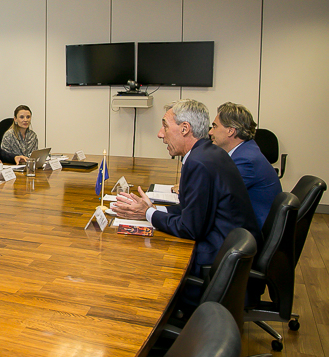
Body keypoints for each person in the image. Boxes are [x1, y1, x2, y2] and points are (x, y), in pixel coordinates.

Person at [112, 99, 262, 280]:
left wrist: (148, 213)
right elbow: (192, 209)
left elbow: (190, 229)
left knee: (141, 261)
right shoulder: (207, 153)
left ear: (185, 129)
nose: (160, 134)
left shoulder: (198, 162)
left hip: (219, 258)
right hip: (229, 246)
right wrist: (152, 209)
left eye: (165, 126)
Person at [209, 102, 282, 229]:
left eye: (215, 126)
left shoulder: (246, 160)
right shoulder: (245, 150)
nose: (210, 132)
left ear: (230, 131)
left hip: (251, 231)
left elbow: (216, 195)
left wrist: (188, 187)